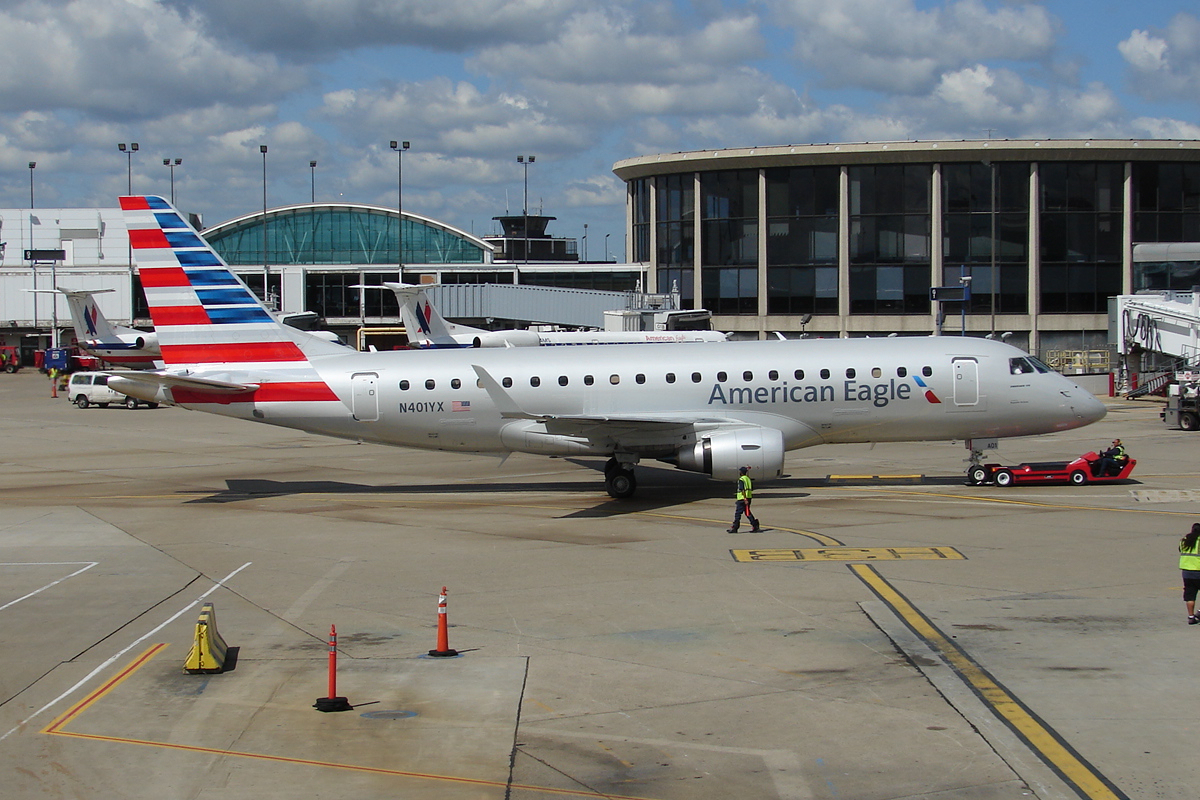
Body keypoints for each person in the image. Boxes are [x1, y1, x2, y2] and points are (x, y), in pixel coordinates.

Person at [727, 466, 761, 533]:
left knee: (738, 514)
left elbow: (742, 489)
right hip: (749, 497)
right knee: (747, 512)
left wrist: (744, 498)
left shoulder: (741, 479)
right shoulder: (748, 479)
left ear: (741, 472)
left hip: (742, 498)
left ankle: (735, 527)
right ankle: (755, 525)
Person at [1180, 523, 1200, 624]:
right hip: (1198, 571)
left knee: (1190, 595)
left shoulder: (1184, 541)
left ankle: (1191, 617)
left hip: (1187, 572)